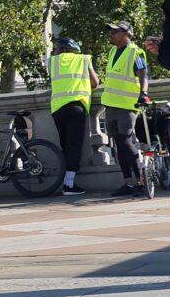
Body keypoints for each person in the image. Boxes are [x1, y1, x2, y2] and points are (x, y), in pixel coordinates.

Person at [101, 21, 150, 197]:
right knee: (118, 145)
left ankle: (141, 181)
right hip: (111, 104)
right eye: (111, 31)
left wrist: (143, 93)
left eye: (115, 31)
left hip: (127, 105)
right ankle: (127, 183)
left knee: (126, 142)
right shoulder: (113, 51)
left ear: (126, 33)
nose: (111, 34)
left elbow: (143, 74)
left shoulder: (135, 52)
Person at [48, 38, 99, 197]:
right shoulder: (83, 59)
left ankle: (66, 181)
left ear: (61, 49)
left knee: (64, 145)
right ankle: (69, 185)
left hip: (58, 108)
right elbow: (95, 82)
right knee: (74, 145)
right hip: (76, 106)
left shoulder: (52, 62)